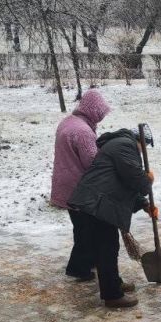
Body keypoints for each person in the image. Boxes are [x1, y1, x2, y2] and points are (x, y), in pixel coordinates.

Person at [67, 128, 158, 308]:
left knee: (105, 248)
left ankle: (114, 283)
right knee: (107, 249)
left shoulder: (119, 145)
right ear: (140, 141)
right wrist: (147, 181)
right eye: (145, 146)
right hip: (98, 205)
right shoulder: (125, 146)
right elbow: (135, 179)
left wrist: (145, 204)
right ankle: (112, 295)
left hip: (96, 203)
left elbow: (121, 181)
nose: (143, 151)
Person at [49, 89, 112, 282]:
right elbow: (93, 162)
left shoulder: (68, 122)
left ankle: (87, 262)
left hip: (64, 183)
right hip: (78, 188)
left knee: (81, 227)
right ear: (93, 111)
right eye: (100, 113)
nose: (101, 118)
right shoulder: (83, 131)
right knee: (87, 229)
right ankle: (79, 268)